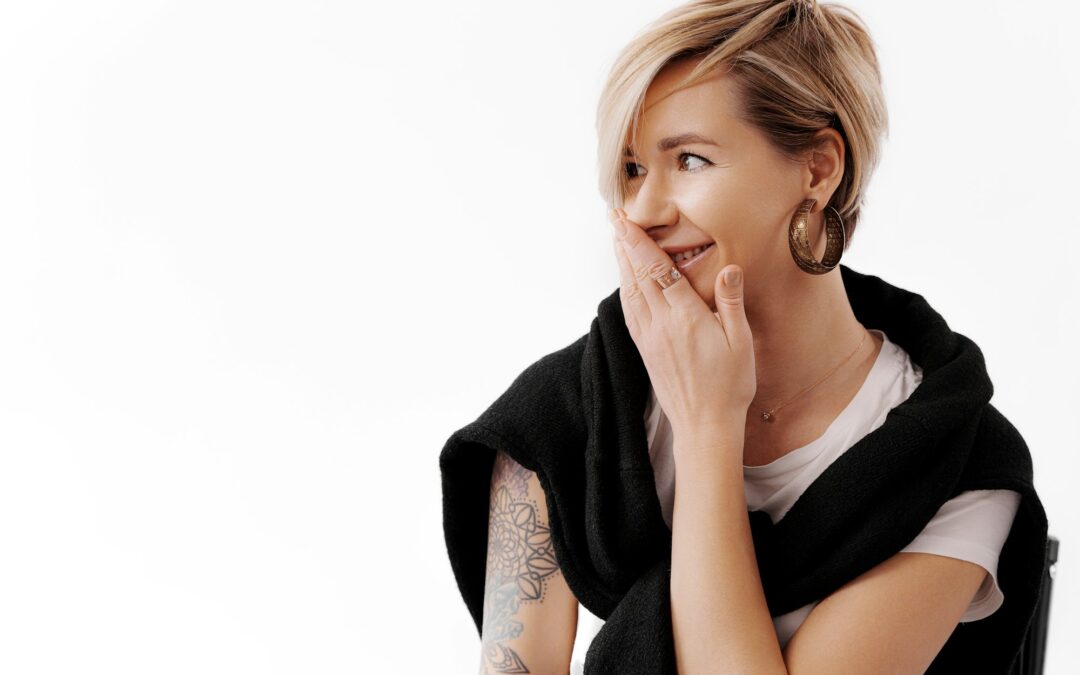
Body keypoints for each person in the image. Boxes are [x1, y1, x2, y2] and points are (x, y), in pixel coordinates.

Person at [439, 1, 1047, 673]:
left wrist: (707, 429)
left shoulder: (956, 461)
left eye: (691, 160)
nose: (643, 210)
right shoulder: (561, 419)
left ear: (817, 170)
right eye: (634, 168)